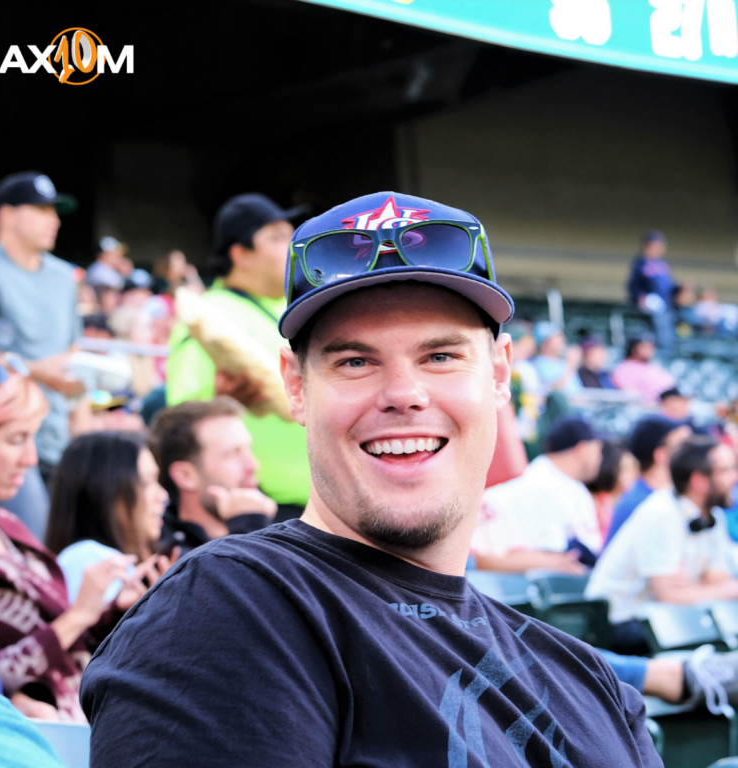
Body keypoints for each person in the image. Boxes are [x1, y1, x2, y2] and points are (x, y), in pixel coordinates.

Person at [82, 191, 661, 767]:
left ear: (500, 373)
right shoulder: (231, 610)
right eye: (355, 361)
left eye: (440, 356)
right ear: (297, 386)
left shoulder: (592, 682)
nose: (403, 395)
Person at [0, 355, 156, 721]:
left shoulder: (6, 524)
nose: (30, 457)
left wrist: (112, 611)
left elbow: (56, 642)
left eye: (32, 438)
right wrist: (81, 614)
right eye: (16, 440)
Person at [166, 193, 310, 522]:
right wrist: (220, 399)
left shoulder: (292, 306)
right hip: (267, 510)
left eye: (292, 233)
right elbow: (178, 418)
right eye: (276, 237)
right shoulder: (208, 316)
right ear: (241, 254)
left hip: (322, 503)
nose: (292, 245)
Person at [0, 172, 86, 540]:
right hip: (6, 438)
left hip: (57, 434)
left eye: (54, 211)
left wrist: (80, 435)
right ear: (6, 216)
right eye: (40, 209)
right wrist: (36, 372)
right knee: (30, 547)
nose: (53, 219)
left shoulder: (65, 276)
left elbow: (73, 357)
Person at [586, 435, 738, 654]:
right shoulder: (662, 513)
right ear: (699, 481)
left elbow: (717, 579)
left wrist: (694, 588)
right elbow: (670, 596)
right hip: (620, 622)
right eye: (726, 470)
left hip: (664, 615)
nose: (735, 477)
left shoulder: (714, 515)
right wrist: (713, 589)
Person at [45, 432, 171, 604]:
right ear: (105, 492)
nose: (163, 496)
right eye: (146, 482)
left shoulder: (103, 558)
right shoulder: (87, 559)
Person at [471, 415, 603, 573]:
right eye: (598, 450)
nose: (600, 458)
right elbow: (552, 559)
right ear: (582, 450)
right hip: (498, 581)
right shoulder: (547, 487)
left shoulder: (552, 479)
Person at [148, 398, 276, 557]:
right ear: (185, 476)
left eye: (248, 449)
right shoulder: (170, 558)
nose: (253, 465)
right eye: (233, 453)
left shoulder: (269, 519)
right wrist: (250, 526)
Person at [604, 415, 691, 545]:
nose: (692, 451)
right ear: (661, 455)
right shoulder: (638, 505)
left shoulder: (666, 496)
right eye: (683, 445)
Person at [626, 230, 677, 354]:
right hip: (649, 301)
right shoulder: (640, 262)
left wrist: (681, 289)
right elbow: (632, 286)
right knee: (660, 315)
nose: (658, 248)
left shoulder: (663, 265)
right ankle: (663, 351)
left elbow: (669, 288)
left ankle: (670, 349)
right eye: (655, 245)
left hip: (667, 303)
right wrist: (640, 297)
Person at [585, 440, 639, 544]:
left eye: (633, 468)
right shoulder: (595, 501)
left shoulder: (610, 501)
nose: (631, 475)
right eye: (624, 469)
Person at [611, 334, 675, 404]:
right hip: (647, 409)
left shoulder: (654, 367)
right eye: (645, 346)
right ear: (634, 348)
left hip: (669, 404)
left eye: (651, 346)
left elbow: (670, 385)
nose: (650, 349)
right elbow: (631, 397)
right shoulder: (623, 369)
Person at [530, 321, 582, 395]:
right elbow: (554, 391)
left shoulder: (563, 363)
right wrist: (571, 365)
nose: (562, 339)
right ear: (545, 343)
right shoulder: (538, 364)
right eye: (556, 337)